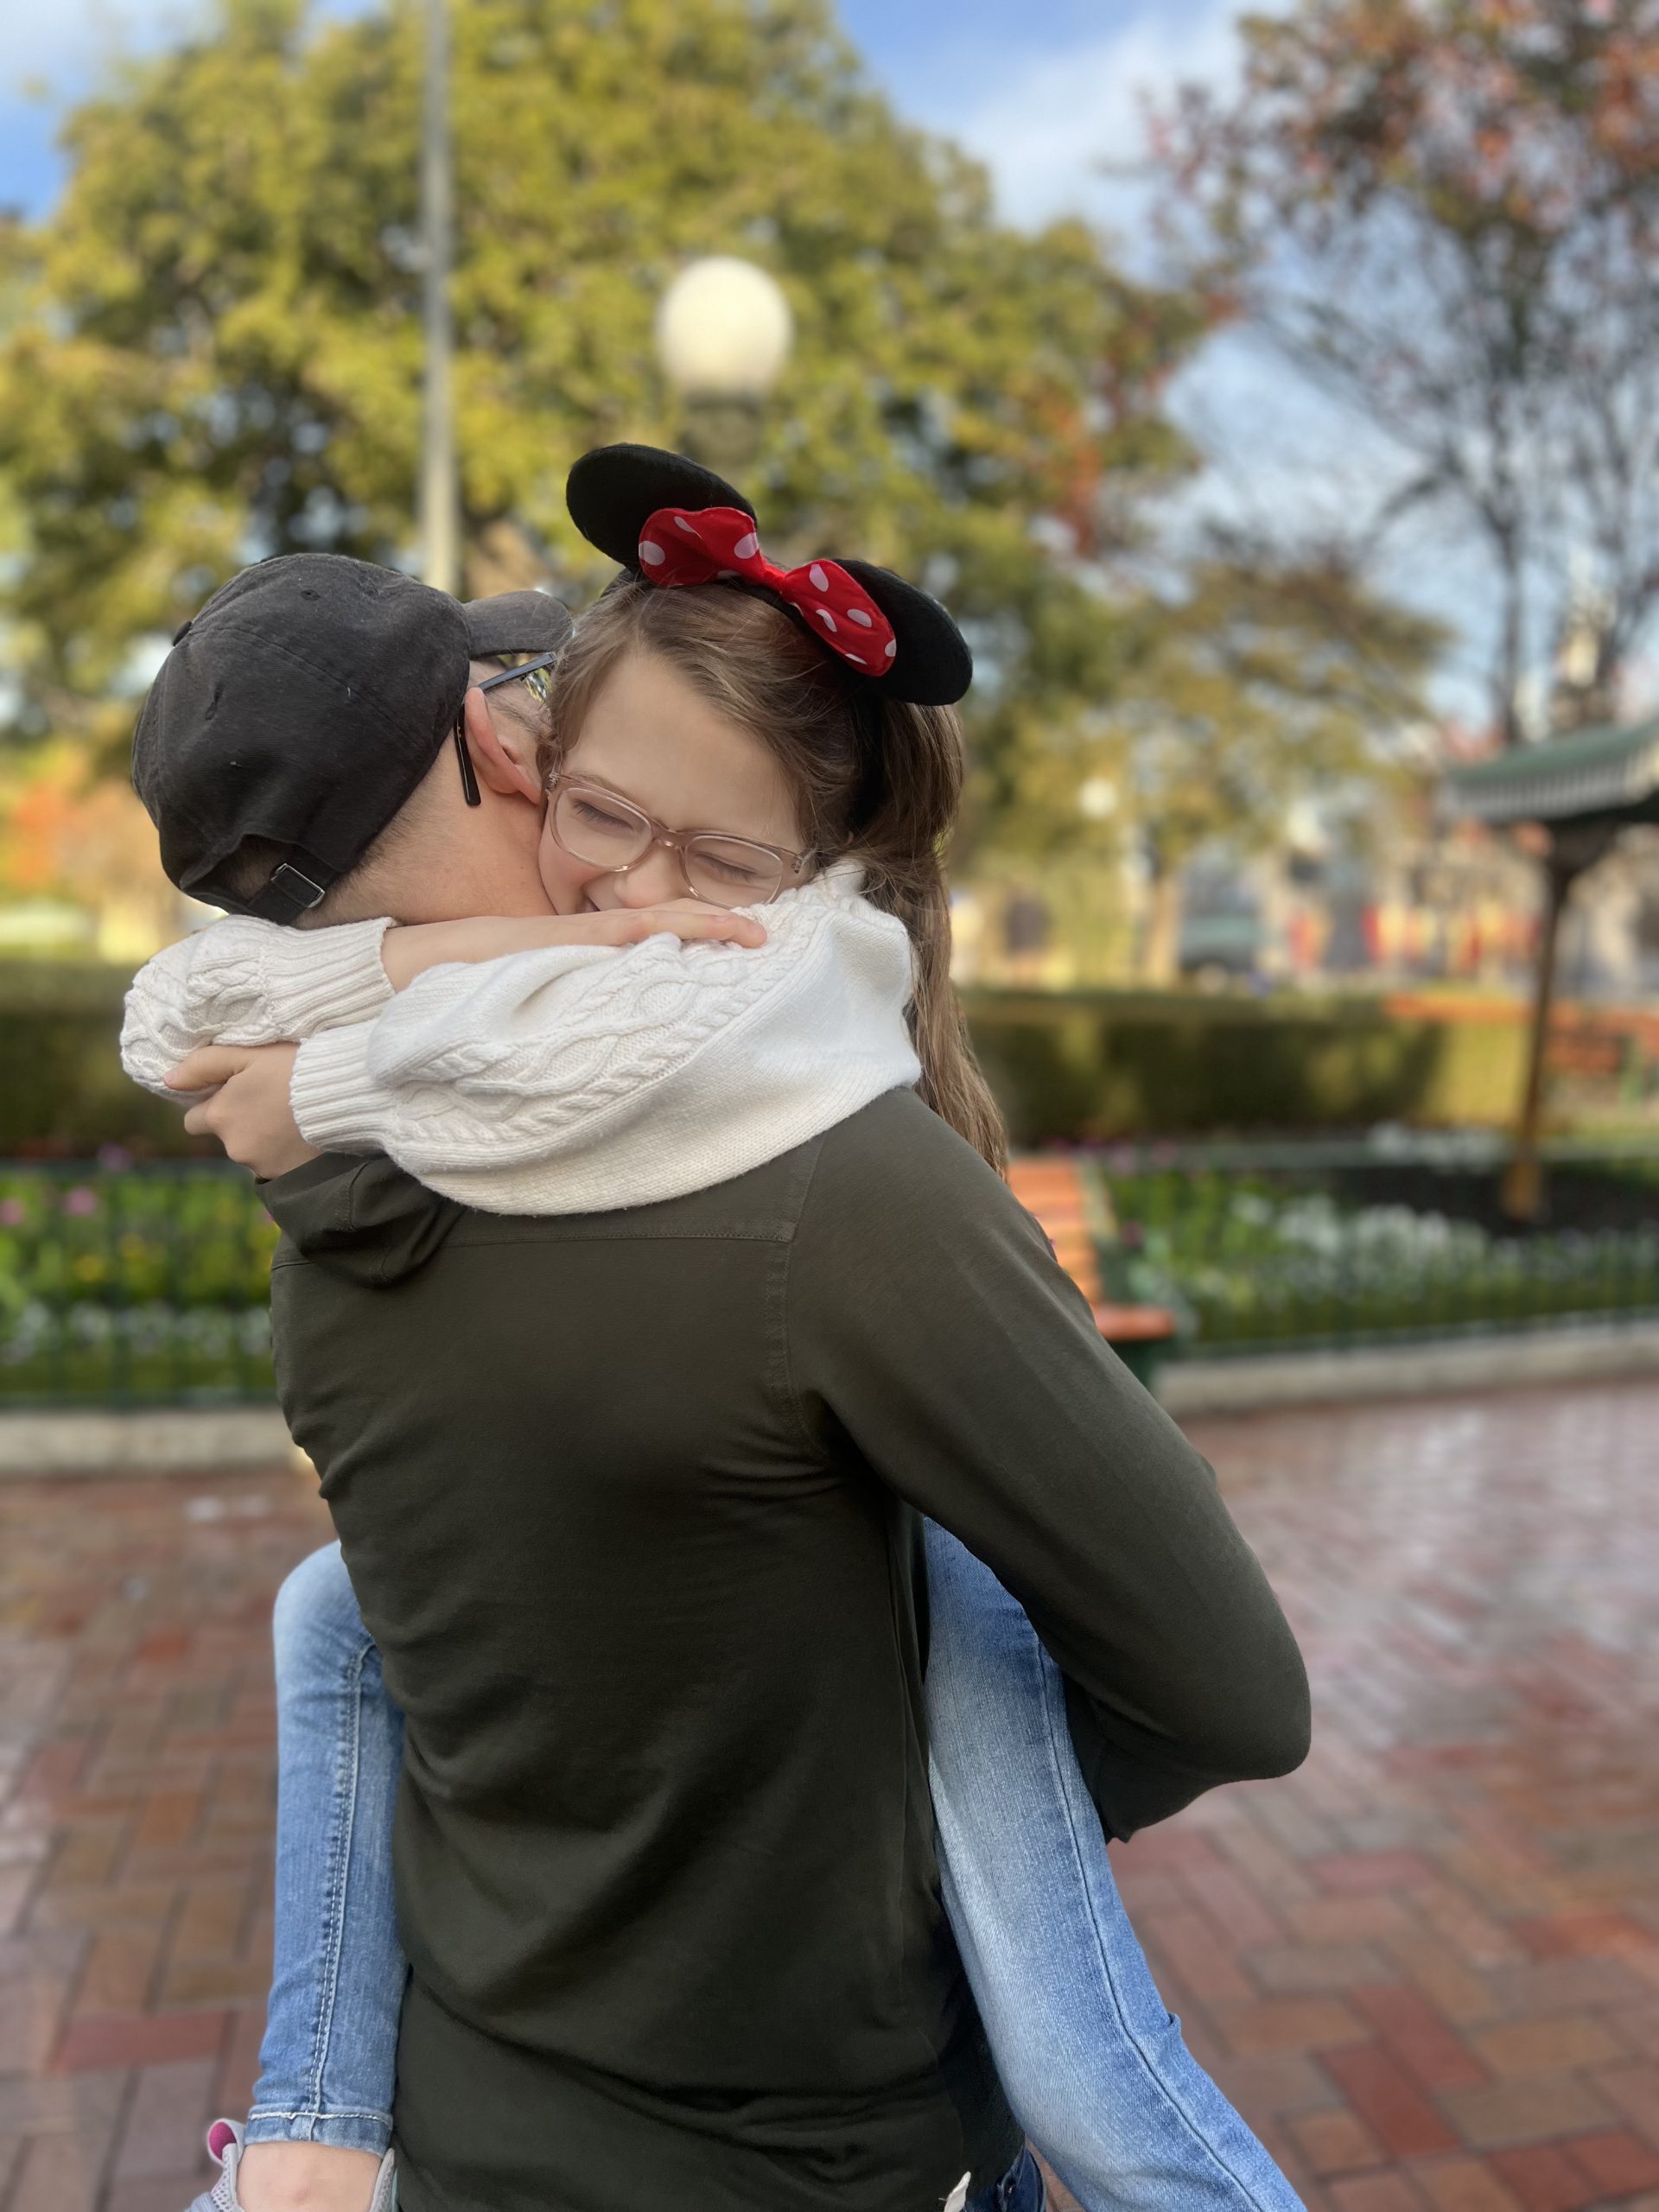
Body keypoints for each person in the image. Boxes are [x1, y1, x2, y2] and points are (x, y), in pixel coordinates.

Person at [124, 448, 1312, 2212]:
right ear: (509, 752)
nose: (626, 889)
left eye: (719, 851)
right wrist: (917, 1847)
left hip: (473, 2108)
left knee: (332, 1612)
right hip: (814, 2140)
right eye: (594, 807)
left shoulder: (315, 1194)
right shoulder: (835, 1188)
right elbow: (1236, 1690)